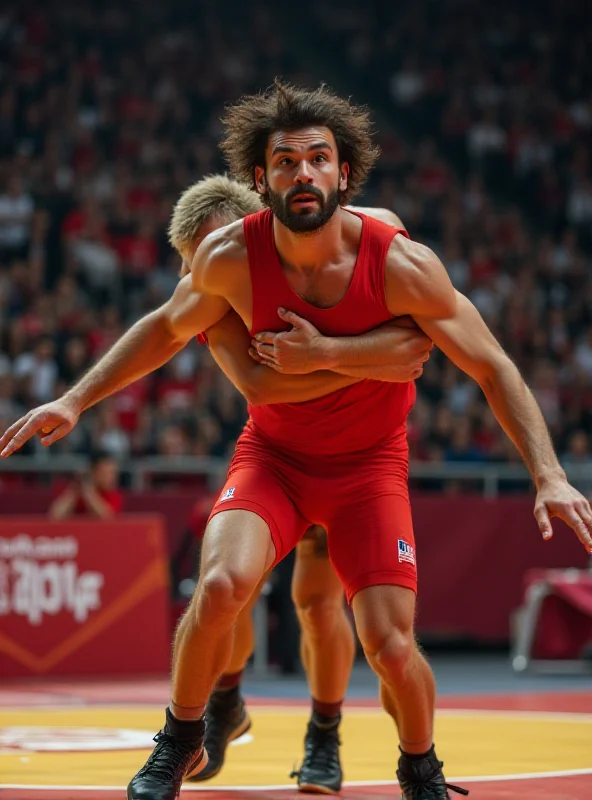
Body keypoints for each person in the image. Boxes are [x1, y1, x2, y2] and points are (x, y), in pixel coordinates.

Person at [2, 82, 592, 800]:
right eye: (286, 162)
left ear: (344, 173)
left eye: (318, 159)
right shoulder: (226, 259)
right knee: (219, 586)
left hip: (369, 469)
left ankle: (418, 765)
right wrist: (74, 397)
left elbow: (494, 365)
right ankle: (180, 739)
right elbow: (164, 329)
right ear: (262, 179)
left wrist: (548, 472)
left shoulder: (399, 261)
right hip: (275, 460)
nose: (303, 173)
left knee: (389, 643)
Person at [167, 174, 422, 792]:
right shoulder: (210, 289)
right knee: (231, 587)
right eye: (192, 262)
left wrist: (343, 353)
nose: (204, 272)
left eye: (210, 253)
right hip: (281, 451)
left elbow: (421, 337)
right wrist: (369, 357)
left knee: (315, 602)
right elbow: (260, 387)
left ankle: (324, 732)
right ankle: (226, 694)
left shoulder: (336, 244)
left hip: (357, 453)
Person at [47, 451, 123, 519]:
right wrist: (76, 489)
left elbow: (107, 517)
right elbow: (55, 515)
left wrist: (89, 493)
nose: (111, 478)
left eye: (113, 473)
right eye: (105, 474)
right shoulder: (77, 489)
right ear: (93, 472)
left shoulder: (115, 494)